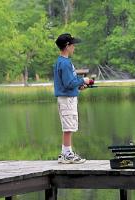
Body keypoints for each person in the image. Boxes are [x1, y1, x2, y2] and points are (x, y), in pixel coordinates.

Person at [53, 33, 92, 164]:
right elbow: (68, 83)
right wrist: (84, 80)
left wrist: (79, 87)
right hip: (67, 99)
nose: (74, 47)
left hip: (67, 97)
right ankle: (67, 154)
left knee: (69, 126)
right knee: (68, 127)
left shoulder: (61, 61)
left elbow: (68, 83)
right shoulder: (65, 63)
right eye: (73, 44)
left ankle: (65, 152)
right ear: (67, 46)